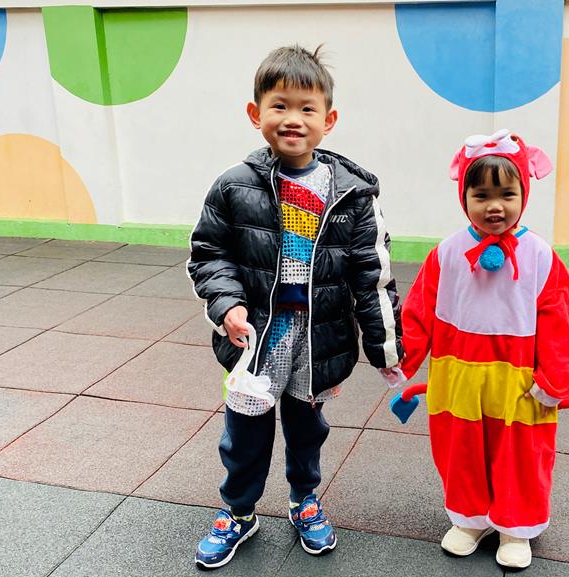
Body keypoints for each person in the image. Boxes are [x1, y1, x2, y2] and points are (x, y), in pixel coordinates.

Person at [187, 44, 403, 569]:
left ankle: (304, 498)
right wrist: (227, 304)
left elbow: (371, 275)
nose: (293, 119)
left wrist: (386, 349)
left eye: (307, 108)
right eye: (279, 105)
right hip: (258, 338)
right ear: (255, 112)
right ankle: (239, 511)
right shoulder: (234, 186)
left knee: (307, 428)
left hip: (318, 336)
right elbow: (209, 253)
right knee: (245, 430)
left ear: (328, 120)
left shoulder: (351, 194)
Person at [399, 130, 569, 570]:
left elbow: (561, 321)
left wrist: (555, 380)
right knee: (460, 450)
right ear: (464, 197)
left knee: (520, 453)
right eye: (481, 195)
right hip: (458, 377)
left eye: (507, 194)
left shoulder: (539, 255)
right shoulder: (448, 253)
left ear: (524, 194)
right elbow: (419, 310)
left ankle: (515, 527)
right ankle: (470, 519)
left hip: (518, 382)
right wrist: (401, 358)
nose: (494, 206)